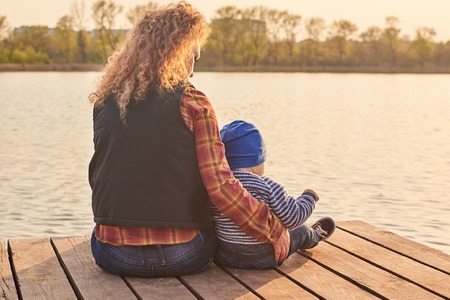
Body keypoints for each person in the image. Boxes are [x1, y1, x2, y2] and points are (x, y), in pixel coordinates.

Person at [88, 2, 290, 278]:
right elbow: (221, 186)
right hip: (184, 254)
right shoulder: (193, 102)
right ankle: (299, 235)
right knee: (231, 240)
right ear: (176, 53)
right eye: (192, 58)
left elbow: (105, 174)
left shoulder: (104, 103)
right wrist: (273, 228)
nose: (192, 71)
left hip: (113, 255)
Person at [213, 120, 335, 269]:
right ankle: (314, 236)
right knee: (301, 229)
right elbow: (293, 217)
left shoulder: (217, 187)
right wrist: (308, 198)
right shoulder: (266, 185)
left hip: (225, 256)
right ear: (257, 160)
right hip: (265, 258)